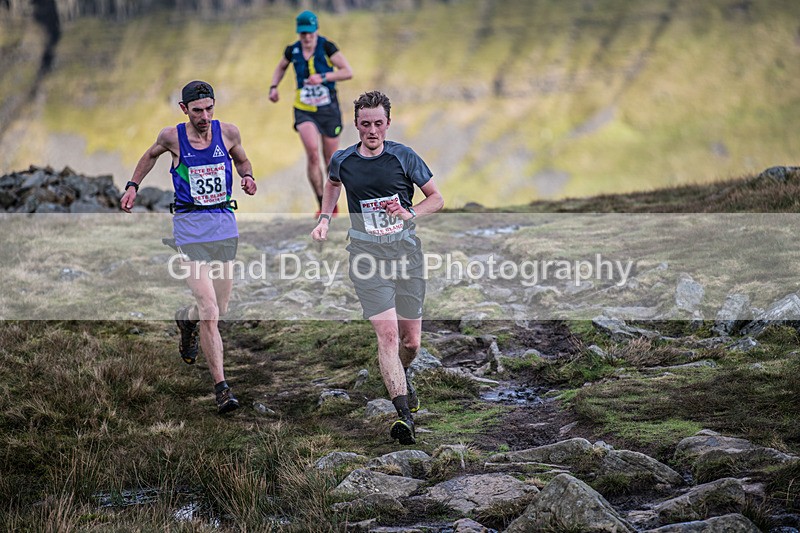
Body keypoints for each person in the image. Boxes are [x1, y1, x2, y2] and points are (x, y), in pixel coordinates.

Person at [311, 91, 444, 445]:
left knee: (411, 342)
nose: (372, 130)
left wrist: (409, 212)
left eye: (378, 123)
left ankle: (403, 374)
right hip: (366, 257)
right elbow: (332, 185)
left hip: (406, 256)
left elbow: (437, 199)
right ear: (356, 124)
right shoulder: (343, 160)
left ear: (388, 123)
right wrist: (325, 219)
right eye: (365, 124)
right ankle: (403, 415)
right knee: (386, 335)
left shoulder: (404, 157)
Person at [120, 80, 257, 415]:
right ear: (184, 109)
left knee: (219, 308)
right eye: (197, 110)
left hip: (224, 227)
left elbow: (241, 159)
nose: (205, 116)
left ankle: (186, 321)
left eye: (210, 108)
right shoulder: (172, 136)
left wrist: (248, 176)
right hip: (189, 230)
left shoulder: (228, 132)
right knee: (210, 310)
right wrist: (132, 186)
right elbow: (149, 156)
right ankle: (222, 388)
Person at [268, 9, 353, 215]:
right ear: (298, 32)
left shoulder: (327, 47)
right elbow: (281, 67)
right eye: (303, 33)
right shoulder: (293, 50)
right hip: (304, 109)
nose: (306, 37)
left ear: (316, 31)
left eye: (310, 33)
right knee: (312, 154)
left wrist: (323, 77)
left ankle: (333, 203)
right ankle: (322, 203)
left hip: (328, 109)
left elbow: (347, 72)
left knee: (331, 160)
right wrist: (274, 87)